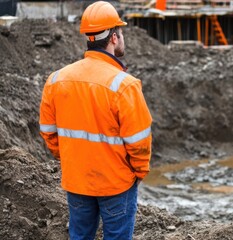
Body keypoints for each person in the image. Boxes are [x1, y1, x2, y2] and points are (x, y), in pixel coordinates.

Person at [39, 1, 152, 239]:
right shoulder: (125, 85)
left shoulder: (56, 80)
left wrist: (70, 159)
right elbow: (140, 143)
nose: (122, 37)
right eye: (120, 32)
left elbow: (48, 132)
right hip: (117, 184)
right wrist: (137, 173)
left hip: (77, 180)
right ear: (113, 37)